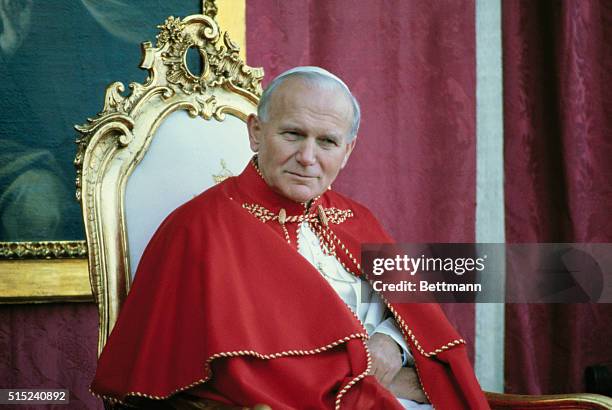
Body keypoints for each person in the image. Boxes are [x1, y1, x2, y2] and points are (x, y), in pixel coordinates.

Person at [91, 67, 489, 409]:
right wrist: (383, 379)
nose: (308, 157)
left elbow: (415, 314)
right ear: (256, 133)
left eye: (328, 141)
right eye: (293, 134)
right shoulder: (198, 229)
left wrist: (390, 342)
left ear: (348, 151)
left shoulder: (355, 217)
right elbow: (234, 372)